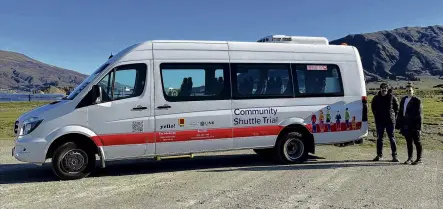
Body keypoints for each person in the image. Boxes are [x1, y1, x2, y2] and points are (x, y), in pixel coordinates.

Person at [396, 83, 423, 165]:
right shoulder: (403, 99)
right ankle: (410, 158)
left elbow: (420, 115)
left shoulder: (417, 100)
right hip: (405, 124)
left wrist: (419, 128)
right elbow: (400, 112)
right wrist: (398, 124)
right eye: (407, 90)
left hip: (414, 124)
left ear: (413, 91)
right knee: (408, 142)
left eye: (410, 90)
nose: (408, 92)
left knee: (417, 141)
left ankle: (419, 159)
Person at [371, 83, 399, 162]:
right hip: (380, 121)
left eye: (385, 88)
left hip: (390, 121)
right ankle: (379, 155)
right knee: (380, 138)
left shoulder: (392, 97)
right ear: (380, 89)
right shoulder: (376, 98)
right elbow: (373, 108)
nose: (384, 90)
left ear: (387, 89)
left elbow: (397, 108)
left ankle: (394, 155)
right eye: (382, 88)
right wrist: (376, 115)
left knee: (392, 138)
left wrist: (393, 117)